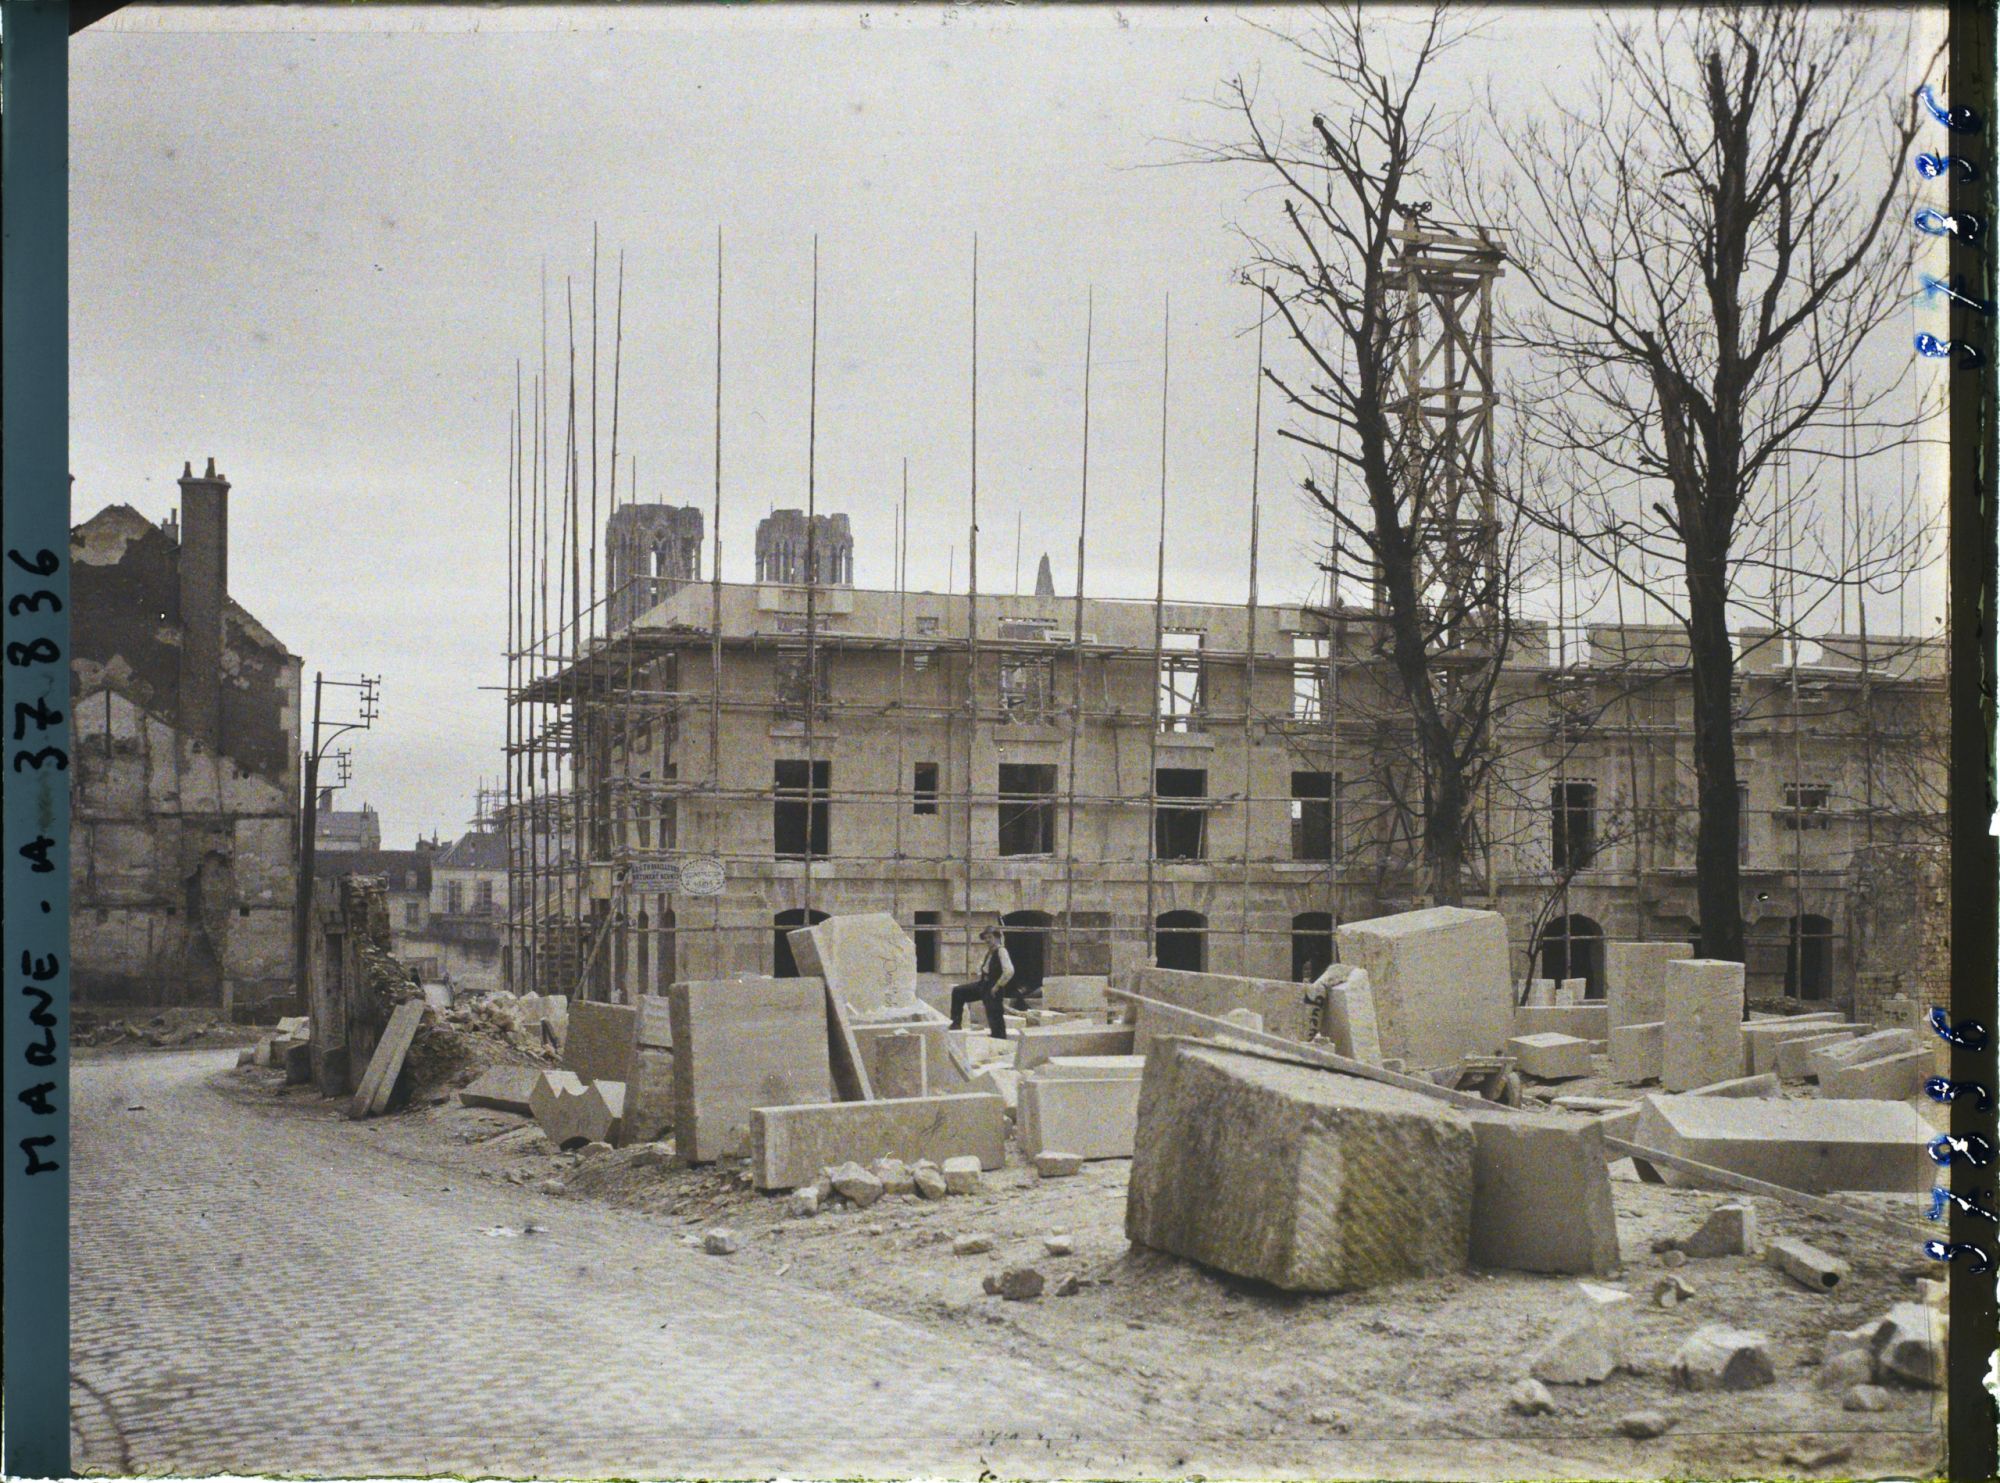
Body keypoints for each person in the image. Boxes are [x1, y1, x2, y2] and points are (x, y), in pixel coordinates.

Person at [948, 925, 1015, 1039]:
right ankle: (956, 1023)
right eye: (986, 938)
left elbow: (1009, 971)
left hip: (994, 987)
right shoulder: (990, 952)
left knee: (994, 1014)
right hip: (984, 985)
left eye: (990, 937)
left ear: (997, 938)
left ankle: (999, 1038)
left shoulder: (1001, 951)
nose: (987, 940)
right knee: (958, 991)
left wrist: (997, 985)